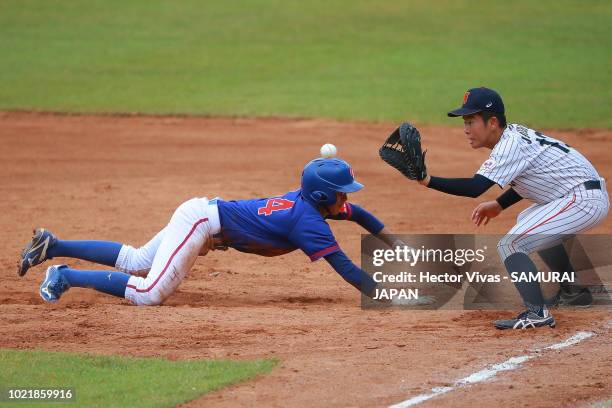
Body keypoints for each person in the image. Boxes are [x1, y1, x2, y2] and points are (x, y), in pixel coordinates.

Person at [19, 158, 399, 306]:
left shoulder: (310, 204)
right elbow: (347, 269)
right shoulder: (309, 221)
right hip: (200, 223)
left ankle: (53, 245)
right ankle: (64, 274)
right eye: (341, 193)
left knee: (136, 261)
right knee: (149, 294)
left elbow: (358, 212)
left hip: (201, 216)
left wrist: (392, 240)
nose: (345, 200)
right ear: (322, 196)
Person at [417, 87, 608, 329]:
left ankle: (537, 313)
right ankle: (574, 292)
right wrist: (499, 204)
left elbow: (475, 187)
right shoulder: (513, 136)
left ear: (493, 122)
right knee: (529, 219)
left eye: (472, 121)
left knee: (512, 243)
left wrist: (428, 181)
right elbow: (535, 177)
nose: (466, 129)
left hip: (582, 200)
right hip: (580, 195)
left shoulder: (510, 145)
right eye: (464, 122)